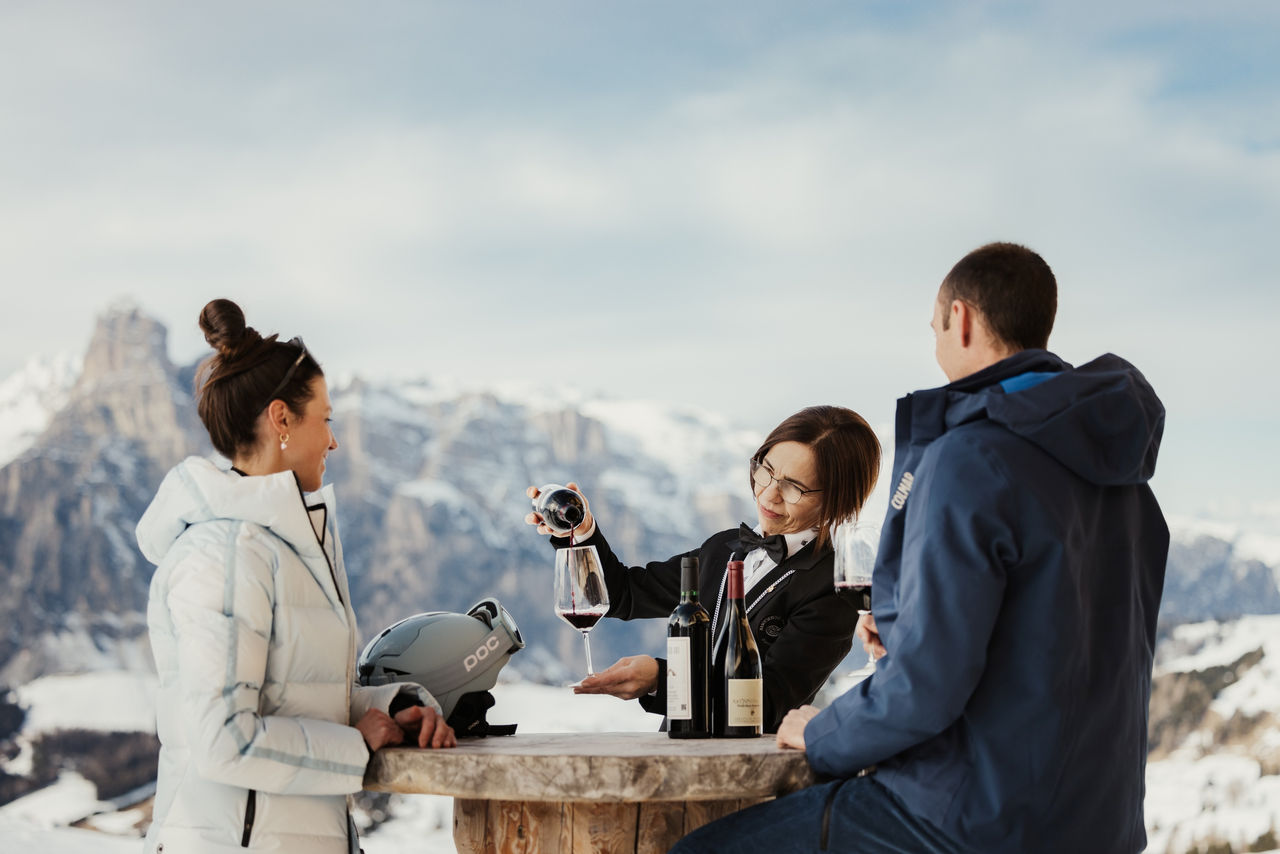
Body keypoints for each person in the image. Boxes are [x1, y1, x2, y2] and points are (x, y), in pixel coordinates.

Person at [671, 242, 1170, 854]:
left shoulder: (971, 457)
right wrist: (910, 630)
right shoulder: (1129, 487)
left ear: (959, 319)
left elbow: (930, 686)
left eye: (933, 326)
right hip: (1097, 821)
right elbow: (1053, 638)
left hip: (966, 817)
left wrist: (824, 731)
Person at [136, 299, 456, 854]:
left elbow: (289, 700)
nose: (333, 441)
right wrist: (355, 744)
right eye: (325, 419)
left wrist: (389, 711)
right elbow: (224, 741)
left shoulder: (281, 544)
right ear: (282, 418)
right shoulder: (229, 555)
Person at [526, 405, 882, 732]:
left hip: (742, 774)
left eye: (793, 488)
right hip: (677, 757)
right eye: (766, 471)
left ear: (838, 499)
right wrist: (582, 533)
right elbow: (623, 595)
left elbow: (766, 702)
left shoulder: (830, 586)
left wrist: (661, 679)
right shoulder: (723, 548)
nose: (768, 494)